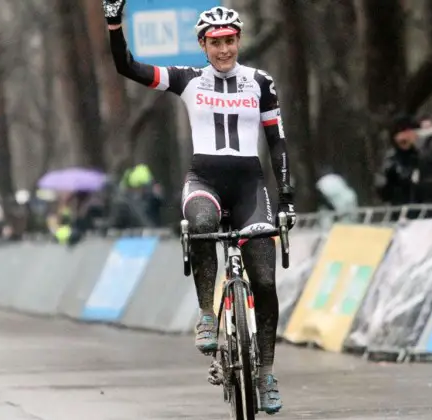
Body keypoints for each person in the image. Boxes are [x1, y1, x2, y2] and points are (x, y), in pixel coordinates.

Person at [102, 1, 296, 413]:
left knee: (264, 279)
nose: (224, 50)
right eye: (215, 43)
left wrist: (287, 197)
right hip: (204, 181)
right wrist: (114, 23)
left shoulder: (261, 82)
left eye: (230, 41)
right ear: (202, 46)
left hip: (249, 187)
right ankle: (207, 313)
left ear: (238, 41)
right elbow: (127, 67)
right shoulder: (187, 79)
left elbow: (277, 142)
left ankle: (265, 374)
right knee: (202, 220)